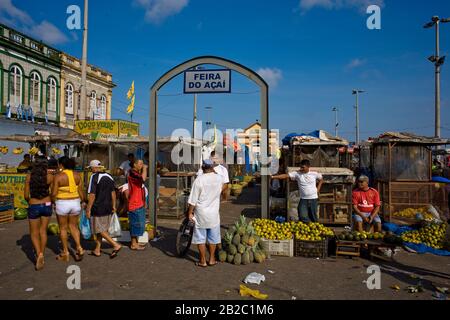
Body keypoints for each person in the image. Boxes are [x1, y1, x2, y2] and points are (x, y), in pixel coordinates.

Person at [188, 159, 226, 267]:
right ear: (212, 167)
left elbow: (193, 200)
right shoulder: (219, 178)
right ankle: (212, 259)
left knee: (200, 238)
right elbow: (225, 185)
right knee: (213, 238)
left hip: (201, 214)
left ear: (202, 167)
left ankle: (202, 260)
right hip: (214, 214)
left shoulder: (199, 180)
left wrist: (190, 213)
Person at [86, 160, 122, 259]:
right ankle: (97, 250)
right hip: (108, 206)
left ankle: (115, 245)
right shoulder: (109, 176)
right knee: (102, 228)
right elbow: (113, 192)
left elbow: (92, 194)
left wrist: (88, 209)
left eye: (91, 168)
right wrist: (114, 205)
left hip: (98, 206)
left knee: (98, 228)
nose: (91, 170)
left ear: (93, 167)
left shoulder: (94, 177)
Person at [51, 157, 86, 262]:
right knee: (74, 227)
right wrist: (82, 201)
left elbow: (53, 193)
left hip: (62, 203)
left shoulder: (58, 176)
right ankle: (79, 247)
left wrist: (53, 202)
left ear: (61, 165)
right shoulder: (77, 175)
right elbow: (81, 192)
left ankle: (65, 252)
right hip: (75, 203)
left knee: (63, 228)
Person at [24, 157, 54, 271]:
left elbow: (26, 195)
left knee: (34, 233)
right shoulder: (50, 177)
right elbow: (53, 192)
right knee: (43, 231)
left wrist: (30, 201)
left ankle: (39, 253)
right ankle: (42, 252)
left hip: (34, 205)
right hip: (46, 205)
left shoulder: (29, 177)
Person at [126, 159, 148, 250]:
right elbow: (143, 179)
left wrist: (144, 202)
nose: (142, 165)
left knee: (139, 224)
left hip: (139, 202)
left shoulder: (136, 173)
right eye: (140, 163)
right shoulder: (132, 172)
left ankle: (136, 243)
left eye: (143, 163)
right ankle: (133, 244)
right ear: (134, 164)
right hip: (134, 203)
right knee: (135, 224)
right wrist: (145, 169)